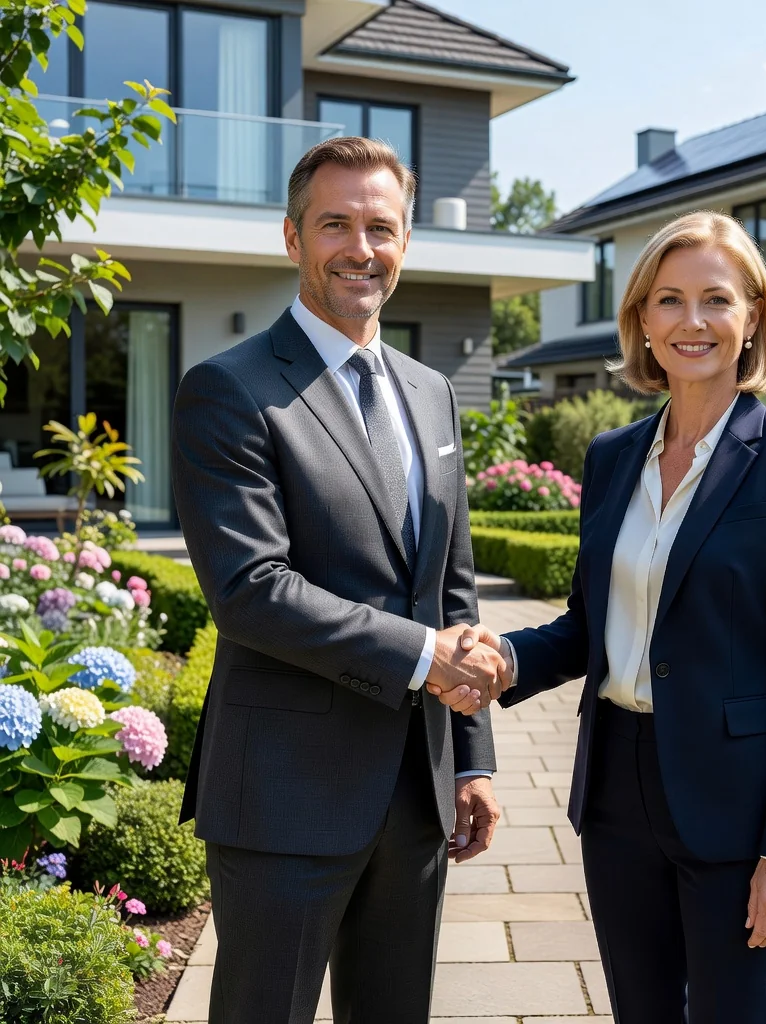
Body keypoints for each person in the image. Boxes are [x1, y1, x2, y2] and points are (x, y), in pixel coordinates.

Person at [431, 210, 766, 1023]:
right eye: (670, 300)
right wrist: (505, 660)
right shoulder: (613, 456)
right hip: (617, 791)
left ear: (752, 318)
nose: (693, 321)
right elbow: (589, 625)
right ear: (643, 322)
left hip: (738, 807)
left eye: (716, 300)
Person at [171, 136, 507, 1024]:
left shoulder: (431, 392)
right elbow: (251, 588)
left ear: (405, 242)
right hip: (285, 794)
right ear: (292, 237)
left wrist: (470, 759)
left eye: (381, 227)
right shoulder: (228, 389)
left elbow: (452, 584)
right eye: (336, 225)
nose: (362, 248)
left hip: (419, 791)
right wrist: (423, 655)